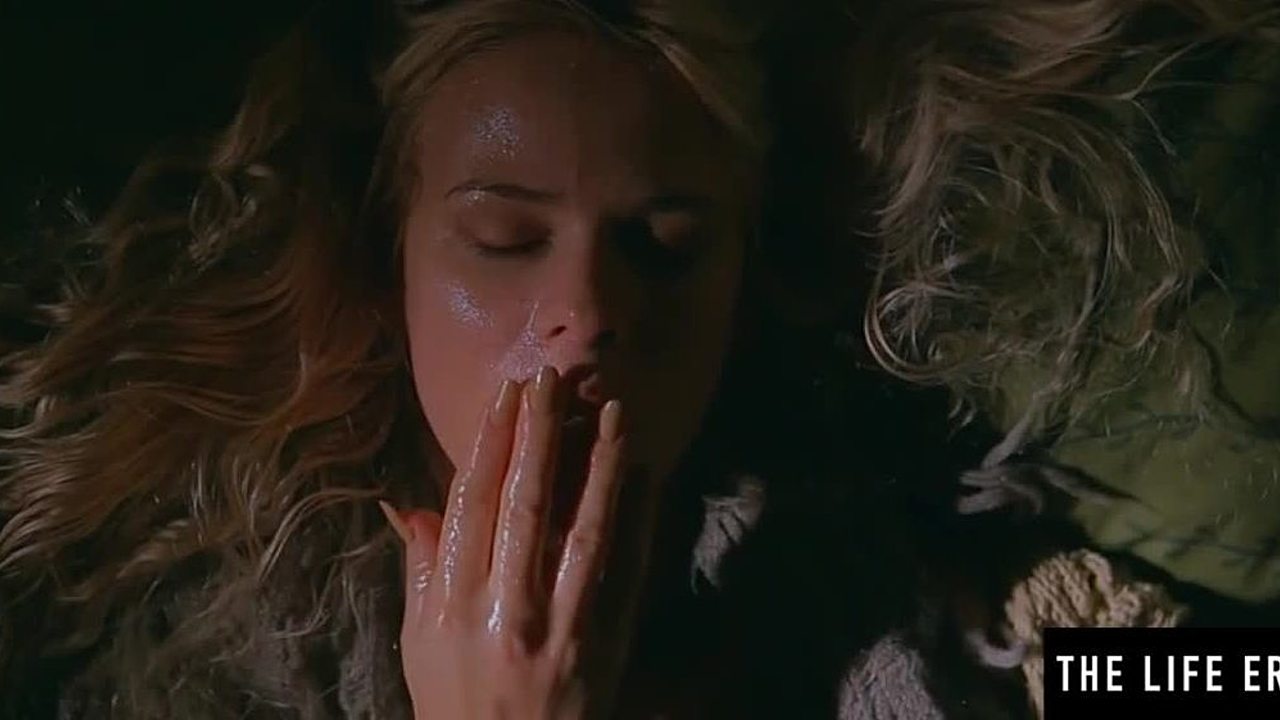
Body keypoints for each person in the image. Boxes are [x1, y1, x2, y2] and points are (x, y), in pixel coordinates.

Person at [1, 0, 1275, 718]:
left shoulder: (882, 543)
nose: (587, 312)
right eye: (504, 239)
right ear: (388, 259)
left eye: (664, 249)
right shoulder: (217, 653)